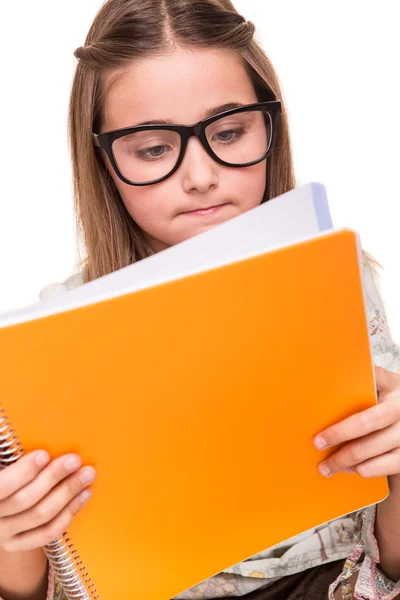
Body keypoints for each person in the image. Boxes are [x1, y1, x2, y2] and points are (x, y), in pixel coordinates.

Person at [1, 0, 400, 599]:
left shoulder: (334, 275)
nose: (201, 176)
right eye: (155, 149)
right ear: (104, 161)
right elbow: (42, 586)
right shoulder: (57, 333)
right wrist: (16, 531)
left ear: (272, 125)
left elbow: (388, 556)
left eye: (229, 132)